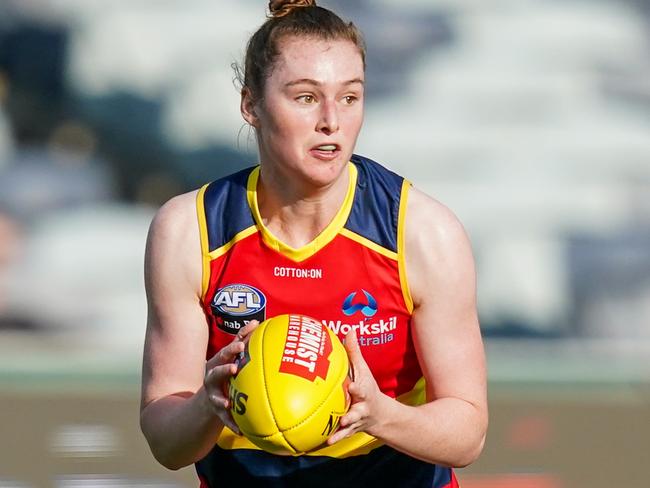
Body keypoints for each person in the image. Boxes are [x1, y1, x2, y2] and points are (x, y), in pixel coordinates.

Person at [140, 1, 488, 487]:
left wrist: (377, 414)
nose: (332, 121)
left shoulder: (421, 231)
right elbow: (165, 443)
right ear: (251, 105)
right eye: (305, 97)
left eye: (350, 97)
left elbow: (467, 434)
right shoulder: (189, 230)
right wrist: (206, 404)